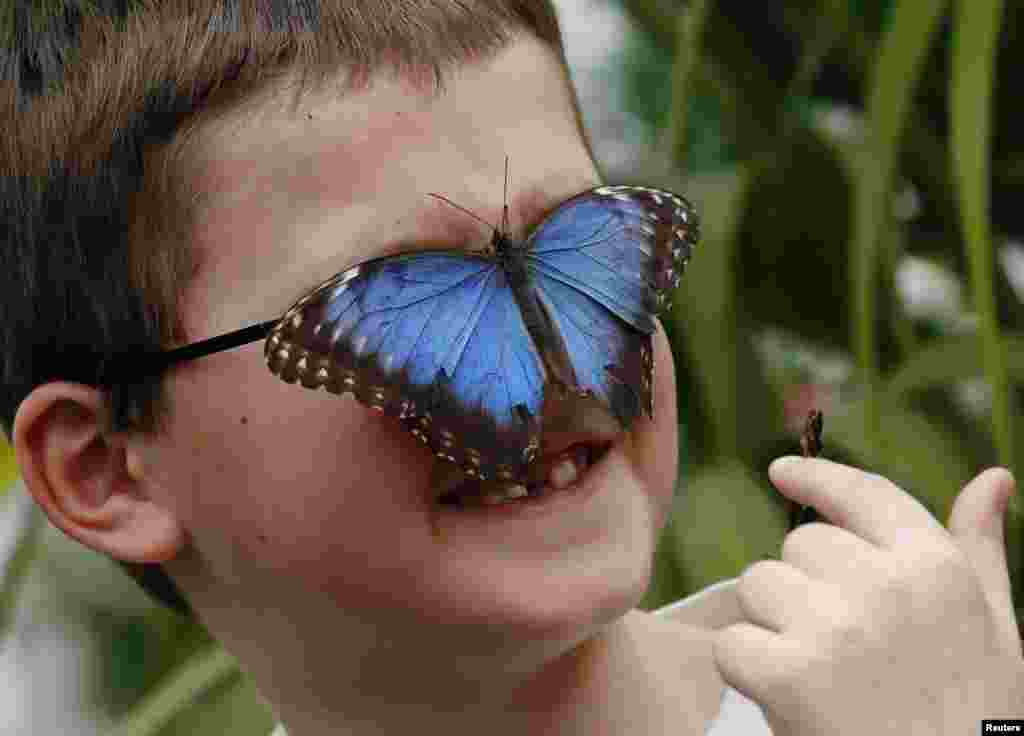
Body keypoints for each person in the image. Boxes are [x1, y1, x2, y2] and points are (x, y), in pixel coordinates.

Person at [3, 3, 1020, 735]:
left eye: (577, 234)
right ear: (109, 469)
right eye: (398, 285)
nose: (558, 372)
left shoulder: (928, 682)